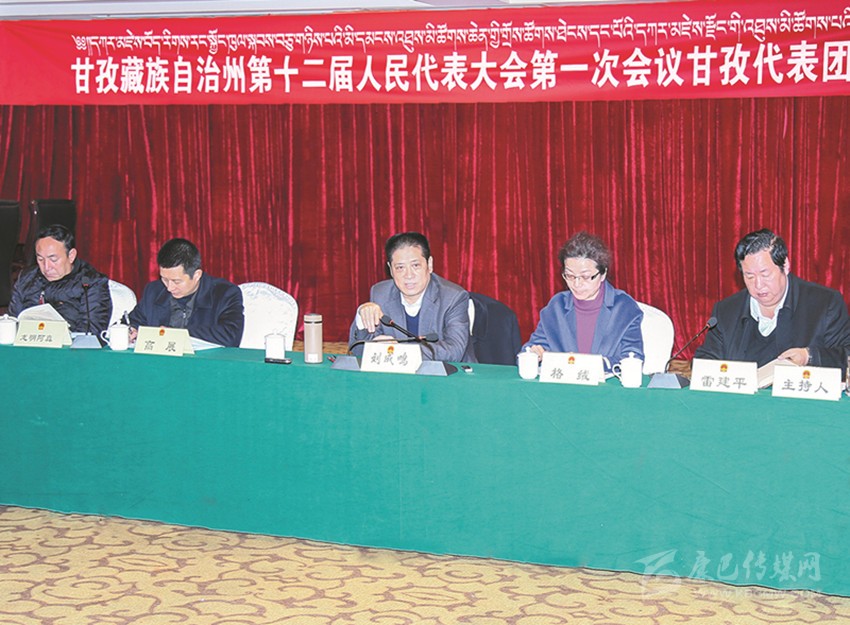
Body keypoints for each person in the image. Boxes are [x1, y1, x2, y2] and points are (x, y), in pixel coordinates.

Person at [694, 228, 850, 368]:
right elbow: (705, 361)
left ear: (785, 265)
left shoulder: (825, 303)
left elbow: (846, 354)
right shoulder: (726, 311)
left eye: (765, 274)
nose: (758, 285)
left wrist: (809, 356)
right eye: (749, 276)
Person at [349, 231, 475, 362]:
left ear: (429, 264)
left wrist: (399, 351)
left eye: (415, 265)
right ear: (390, 269)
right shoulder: (380, 294)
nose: (408, 275)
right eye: (400, 268)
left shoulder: (453, 297)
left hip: (449, 372)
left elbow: (454, 352)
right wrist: (361, 317)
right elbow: (359, 352)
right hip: (397, 373)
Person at [523, 231, 644, 368]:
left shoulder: (624, 308)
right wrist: (533, 355)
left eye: (585, 277)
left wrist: (588, 364)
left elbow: (633, 358)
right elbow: (532, 347)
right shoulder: (557, 306)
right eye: (570, 276)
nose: (577, 284)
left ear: (603, 274)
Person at [129, 238, 244, 347]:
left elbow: (231, 335)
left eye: (176, 281)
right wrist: (130, 330)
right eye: (164, 279)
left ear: (197, 275)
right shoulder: (154, 291)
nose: (169, 288)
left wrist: (178, 334)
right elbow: (132, 321)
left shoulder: (224, 293)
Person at [9, 224, 111, 334]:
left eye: (53, 259)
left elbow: (90, 334)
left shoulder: (90, 283)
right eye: (40, 259)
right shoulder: (27, 278)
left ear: (71, 256)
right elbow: (12, 322)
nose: (46, 267)